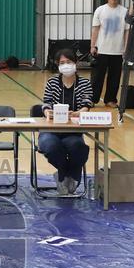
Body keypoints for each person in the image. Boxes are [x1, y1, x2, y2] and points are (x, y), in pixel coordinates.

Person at [40, 48, 93, 194]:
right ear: (58, 65)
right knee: (51, 147)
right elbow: (46, 103)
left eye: (69, 62)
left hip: (73, 131)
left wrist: (77, 113)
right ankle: (66, 174)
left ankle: (65, 177)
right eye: (62, 62)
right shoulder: (52, 82)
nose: (66, 65)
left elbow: (87, 103)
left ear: (75, 64)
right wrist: (47, 112)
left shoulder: (84, 83)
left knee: (79, 148)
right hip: (51, 130)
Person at [90, 0, 128, 107]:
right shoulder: (100, 10)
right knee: (97, 77)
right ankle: (92, 99)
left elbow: (127, 31)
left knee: (115, 77)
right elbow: (95, 29)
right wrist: (92, 46)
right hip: (101, 49)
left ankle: (110, 99)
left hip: (117, 51)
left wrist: (126, 48)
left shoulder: (124, 11)